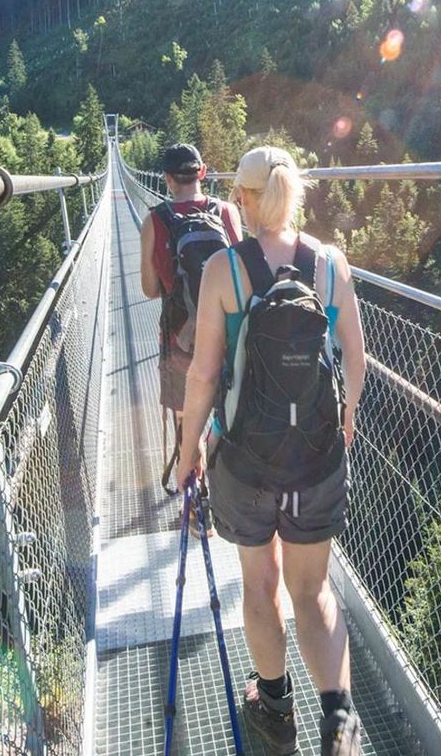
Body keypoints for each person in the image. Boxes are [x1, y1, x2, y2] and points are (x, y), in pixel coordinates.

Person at [173, 145, 367, 756]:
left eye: (238, 195)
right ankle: (338, 720)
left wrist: (187, 455)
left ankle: (274, 708)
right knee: (313, 593)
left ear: (248, 200)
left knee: (260, 586)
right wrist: (345, 421)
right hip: (316, 459)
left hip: (245, 462)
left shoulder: (223, 271)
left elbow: (203, 377)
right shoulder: (331, 264)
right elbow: (356, 360)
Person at [140, 143, 243, 494]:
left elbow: (150, 289)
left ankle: (199, 508)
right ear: (202, 173)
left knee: (188, 425)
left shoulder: (155, 220)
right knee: (230, 413)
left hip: (179, 341)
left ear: (168, 179)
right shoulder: (227, 212)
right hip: (229, 338)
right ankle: (235, 491)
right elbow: (242, 277)